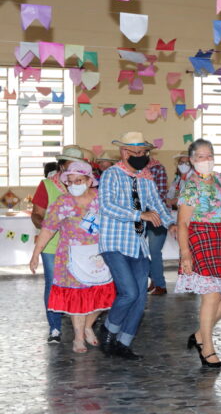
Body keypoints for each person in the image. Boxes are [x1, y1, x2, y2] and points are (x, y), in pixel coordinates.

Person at [98, 131, 177, 361]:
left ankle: (123, 343)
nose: (142, 157)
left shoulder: (146, 177)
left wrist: (170, 222)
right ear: (124, 152)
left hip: (138, 245)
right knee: (129, 292)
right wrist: (139, 214)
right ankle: (109, 329)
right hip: (115, 242)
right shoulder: (111, 175)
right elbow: (107, 206)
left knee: (140, 298)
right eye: (137, 153)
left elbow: (156, 205)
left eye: (144, 153)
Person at [29, 161, 116, 353]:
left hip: (99, 254)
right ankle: (78, 337)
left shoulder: (101, 198)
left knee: (104, 296)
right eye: (70, 181)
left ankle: (87, 326)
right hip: (71, 256)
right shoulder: (62, 202)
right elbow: (48, 228)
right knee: (77, 297)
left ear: (88, 180)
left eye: (79, 180)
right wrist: (36, 254)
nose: (74, 184)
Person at [176, 141, 221, 368]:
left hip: (218, 237)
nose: (207, 159)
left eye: (210, 155)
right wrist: (186, 254)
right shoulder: (191, 185)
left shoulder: (216, 179)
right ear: (192, 160)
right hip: (199, 236)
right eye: (201, 156)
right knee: (212, 295)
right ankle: (208, 349)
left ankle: (198, 335)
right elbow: (183, 222)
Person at [31, 144, 88, 343]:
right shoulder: (47, 186)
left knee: (81, 283)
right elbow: (37, 215)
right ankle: (55, 327)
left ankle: (83, 324)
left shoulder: (85, 185)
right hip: (52, 245)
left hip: (80, 245)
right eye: (71, 165)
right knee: (53, 284)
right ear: (62, 166)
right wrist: (50, 225)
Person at [146, 150, 170, 295]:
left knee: (154, 251)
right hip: (140, 215)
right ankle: (154, 277)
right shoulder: (133, 170)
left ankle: (160, 284)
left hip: (157, 215)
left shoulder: (158, 168)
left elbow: (160, 194)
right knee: (136, 251)